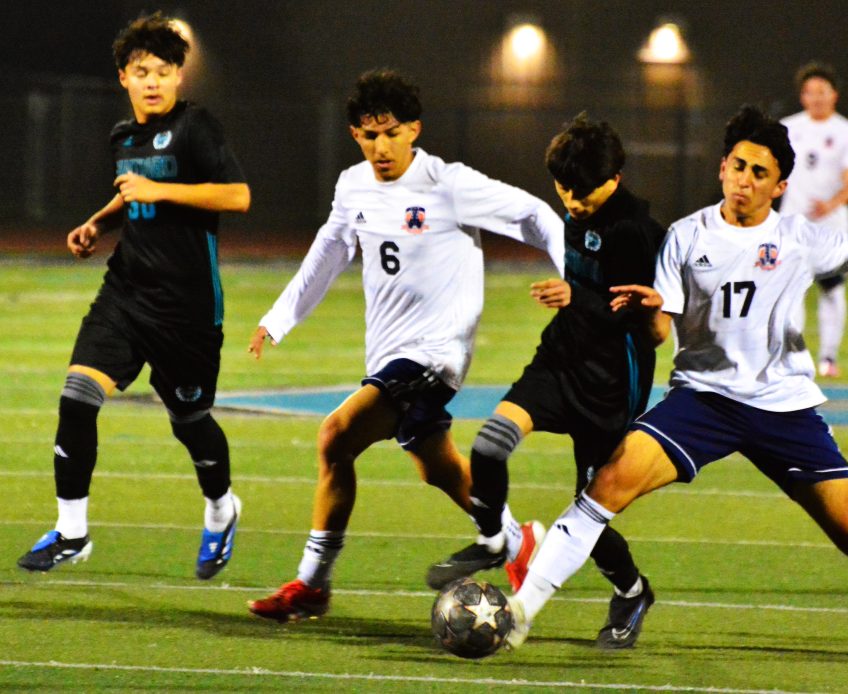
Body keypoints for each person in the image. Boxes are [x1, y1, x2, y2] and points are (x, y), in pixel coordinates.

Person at [504, 106, 848, 664]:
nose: (744, 180)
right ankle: (518, 614)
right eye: (738, 166)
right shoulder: (684, 236)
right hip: (703, 400)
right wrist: (648, 308)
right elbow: (658, 331)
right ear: (722, 167)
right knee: (604, 487)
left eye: (760, 173)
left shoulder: (800, 237)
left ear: (780, 186)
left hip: (783, 407)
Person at [246, 69, 564, 622]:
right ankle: (518, 542)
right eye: (369, 135)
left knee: (335, 437)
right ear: (355, 135)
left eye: (391, 133)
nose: (381, 147)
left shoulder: (447, 183)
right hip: (391, 354)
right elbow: (329, 250)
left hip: (436, 353)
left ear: (414, 129)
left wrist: (574, 280)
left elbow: (535, 215)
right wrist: (278, 318)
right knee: (437, 468)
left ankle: (312, 584)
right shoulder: (353, 186)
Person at [16, 13, 251, 580]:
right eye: (142, 72)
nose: (153, 82)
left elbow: (238, 196)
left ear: (179, 77)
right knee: (77, 396)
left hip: (187, 308)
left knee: (189, 420)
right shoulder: (123, 136)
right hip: (125, 293)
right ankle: (72, 531)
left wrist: (160, 190)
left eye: (164, 72)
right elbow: (131, 193)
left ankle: (222, 508)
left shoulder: (196, 127)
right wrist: (98, 222)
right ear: (123, 76)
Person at [426, 114, 667, 649]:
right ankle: (495, 539)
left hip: (611, 383)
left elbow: (641, 325)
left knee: (589, 513)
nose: (572, 202)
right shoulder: (578, 206)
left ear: (616, 177)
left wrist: (575, 297)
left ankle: (632, 590)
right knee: (489, 447)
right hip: (559, 361)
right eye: (564, 190)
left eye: (584, 192)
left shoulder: (636, 232)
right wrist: (575, 302)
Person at [779, 62, 848, 378]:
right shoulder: (786, 128)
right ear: (801, 96)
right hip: (792, 225)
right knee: (790, 291)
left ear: (834, 95)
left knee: (832, 289)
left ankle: (829, 358)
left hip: (832, 228)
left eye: (822, 91)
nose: (816, 98)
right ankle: (793, 358)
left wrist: (831, 204)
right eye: (809, 92)